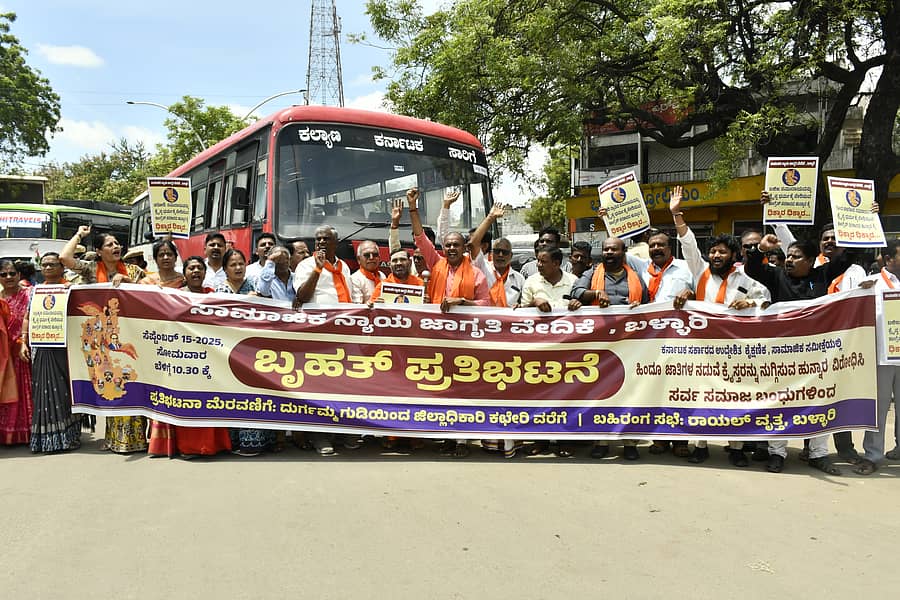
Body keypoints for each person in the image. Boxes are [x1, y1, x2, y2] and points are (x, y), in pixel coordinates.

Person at [669, 186, 769, 466]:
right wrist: (676, 214)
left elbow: (767, 301)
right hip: (702, 350)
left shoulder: (745, 279)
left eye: (721, 252)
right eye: (712, 251)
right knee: (703, 397)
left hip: (735, 351)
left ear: (733, 255)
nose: (715, 256)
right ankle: (701, 445)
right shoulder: (700, 272)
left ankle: (736, 448)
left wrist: (750, 303)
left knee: (734, 398)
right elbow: (688, 244)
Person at [745, 231, 852, 475]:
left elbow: (850, 257)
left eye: (797, 256)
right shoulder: (776, 276)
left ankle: (818, 454)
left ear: (811, 260)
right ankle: (777, 453)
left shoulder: (822, 275)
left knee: (819, 400)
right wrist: (760, 249)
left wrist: (859, 226)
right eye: (788, 255)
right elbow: (752, 268)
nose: (790, 260)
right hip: (782, 355)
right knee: (779, 402)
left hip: (818, 356)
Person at [408, 187, 490, 458]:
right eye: (448, 245)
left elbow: (487, 306)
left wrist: (461, 303)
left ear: (465, 248)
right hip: (437, 339)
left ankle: (463, 439)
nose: (452, 248)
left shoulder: (476, 274)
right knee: (440, 388)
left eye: (456, 245)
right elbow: (420, 237)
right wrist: (413, 207)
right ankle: (446, 436)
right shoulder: (437, 263)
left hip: (466, 343)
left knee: (463, 390)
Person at [60, 225, 147, 454]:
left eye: (117, 243)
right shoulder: (90, 270)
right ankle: (113, 438)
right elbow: (64, 258)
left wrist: (127, 281)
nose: (116, 247)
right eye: (110, 244)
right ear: (99, 251)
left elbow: (151, 294)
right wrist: (79, 234)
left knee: (131, 382)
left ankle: (135, 438)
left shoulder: (133, 271)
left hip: (128, 337)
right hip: (101, 340)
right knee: (110, 383)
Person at [570, 236, 649, 460]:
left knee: (629, 394)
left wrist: (638, 306)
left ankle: (630, 442)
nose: (609, 253)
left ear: (623, 252)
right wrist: (594, 294)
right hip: (600, 345)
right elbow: (576, 293)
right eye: (606, 250)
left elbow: (646, 302)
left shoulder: (635, 277)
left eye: (614, 250)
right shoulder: (592, 273)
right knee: (601, 393)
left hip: (629, 344)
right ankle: (601, 441)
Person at [292, 225, 354, 455]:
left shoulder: (343, 267)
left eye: (325, 239)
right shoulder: (306, 265)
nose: (320, 243)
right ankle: (319, 435)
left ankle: (341, 432)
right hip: (319, 335)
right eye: (317, 239)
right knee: (319, 385)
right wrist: (317, 270)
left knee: (341, 384)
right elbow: (301, 297)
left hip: (344, 335)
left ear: (335, 243)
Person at [519, 246, 579, 458]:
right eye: (538, 261)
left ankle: (566, 440)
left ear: (556, 263)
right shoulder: (531, 282)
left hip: (568, 352)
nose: (539, 265)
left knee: (568, 396)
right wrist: (534, 303)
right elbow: (517, 314)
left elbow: (588, 310)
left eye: (543, 261)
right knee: (540, 396)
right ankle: (540, 440)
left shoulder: (573, 282)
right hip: (539, 352)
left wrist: (578, 303)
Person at [20, 253, 81, 452]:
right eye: (44, 265)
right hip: (41, 346)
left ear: (61, 267)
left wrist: (71, 292)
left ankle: (68, 436)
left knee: (64, 391)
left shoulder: (70, 289)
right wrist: (23, 341)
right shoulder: (34, 292)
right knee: (42, 391)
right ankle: (46, 438)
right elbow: (28, 317)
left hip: (63, 347)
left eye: (52, 264)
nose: (47, 268)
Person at [853, 239, 900, 475]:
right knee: (878, 410)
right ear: (889, 259)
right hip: (881, 358)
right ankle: (873, 455)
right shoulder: (871, 285)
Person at [141, 240, 188, 458]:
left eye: (170, 253)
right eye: (162, 254)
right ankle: (160, 443)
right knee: (159, 390)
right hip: (155, 343)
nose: (166, 258)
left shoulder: (185, 281)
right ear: (156, 258)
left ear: (176, 257)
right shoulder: (145, 283)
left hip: (181, 344)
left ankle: (182, 440)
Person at [0, 259, 32, 445]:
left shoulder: (30, 295)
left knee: (24, 391)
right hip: (5, 355)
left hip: (24, 351)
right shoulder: (0, 299)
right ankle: (7, 434)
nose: (9, 277)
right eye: (3, 274)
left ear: (19, 275)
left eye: (12, 273)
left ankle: (26, 433)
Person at [350, 240, 384, 304]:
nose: (371, 258)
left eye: (375, 254)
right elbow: (356, 307)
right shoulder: (354, 279)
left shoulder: (382, 276)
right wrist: (371, 304)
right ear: (358, 259)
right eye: (367, 255)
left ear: (379, 258)